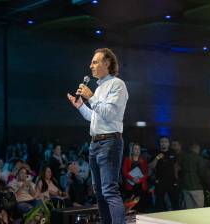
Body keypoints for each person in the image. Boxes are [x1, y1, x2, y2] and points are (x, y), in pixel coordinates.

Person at [67, 48, 129, 224]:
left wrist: (91, 97)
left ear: (107, 63)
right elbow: (95, 118)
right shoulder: (99, 87)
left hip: (109, 142)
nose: (90, 65)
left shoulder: (117, 84)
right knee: (99, 192)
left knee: (109, 190)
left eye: (95, 62)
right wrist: (81, 106)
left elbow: (109, 113)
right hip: (95, 143)